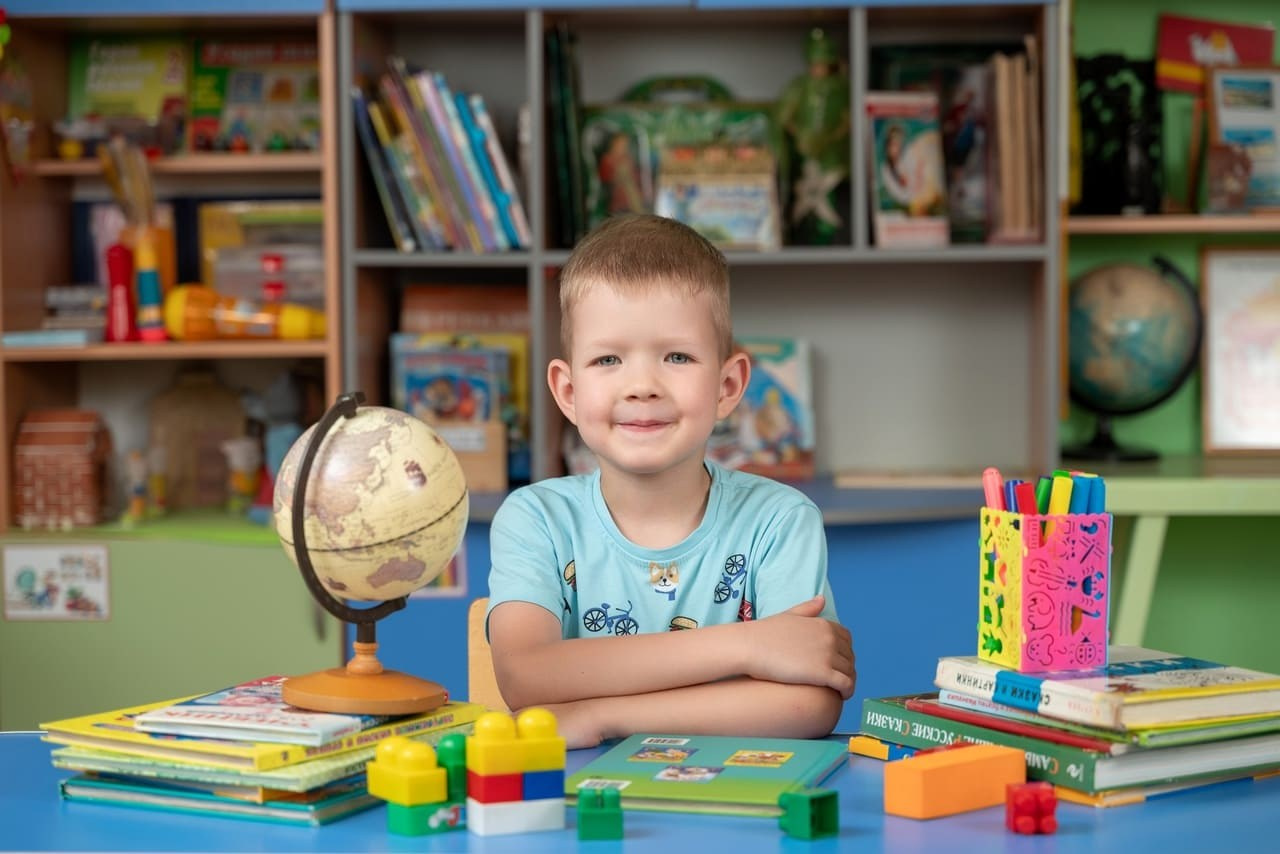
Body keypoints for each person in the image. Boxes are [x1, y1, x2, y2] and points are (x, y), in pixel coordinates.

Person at [486, 213, 855, 749]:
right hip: (578, 804)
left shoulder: (778, 520)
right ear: (568, 392)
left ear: (728, 385)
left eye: (677, 356)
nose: (641, 385)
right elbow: (525, 676)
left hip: (736, 808)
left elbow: (808, 703)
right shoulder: (536, 519)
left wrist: (601, 717)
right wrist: (749, 647)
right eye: (608, 358)